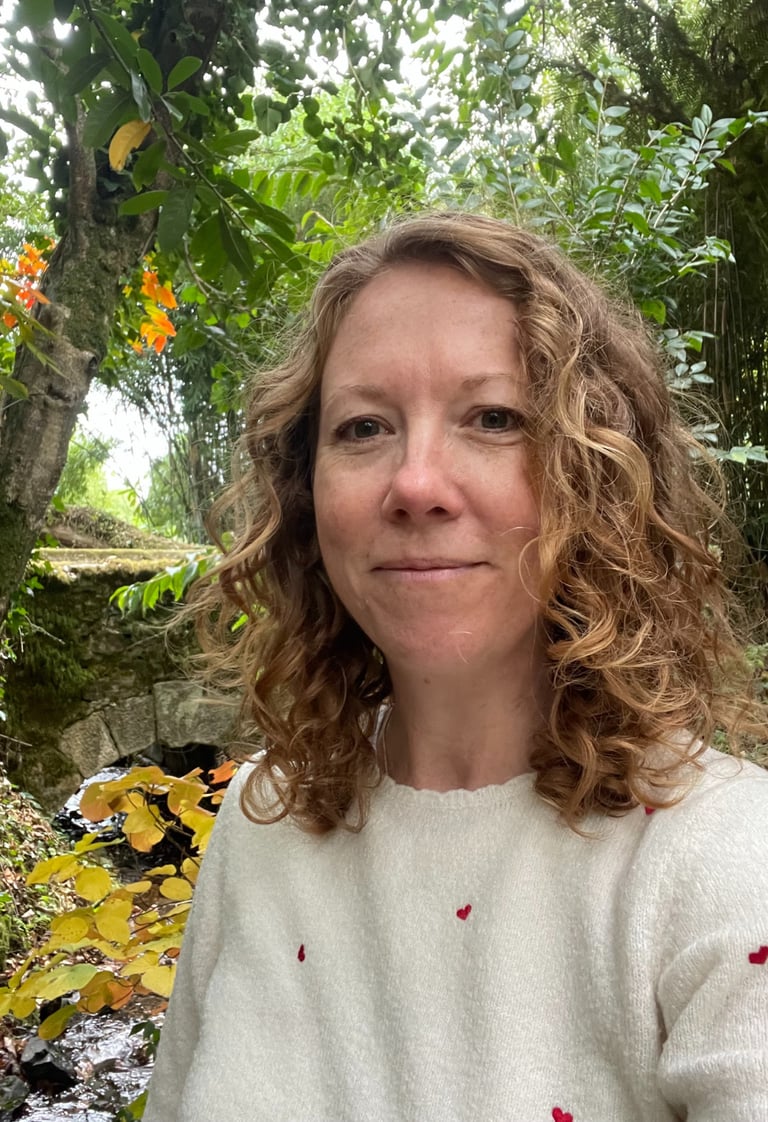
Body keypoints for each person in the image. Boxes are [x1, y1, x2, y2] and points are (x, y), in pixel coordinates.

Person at [143, 212, 768, 1122]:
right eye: (364, 427)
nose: (416, 484)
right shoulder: (262, 821)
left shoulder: (722, 859)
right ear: (303, 491)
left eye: (494, 418)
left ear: (596, 475)